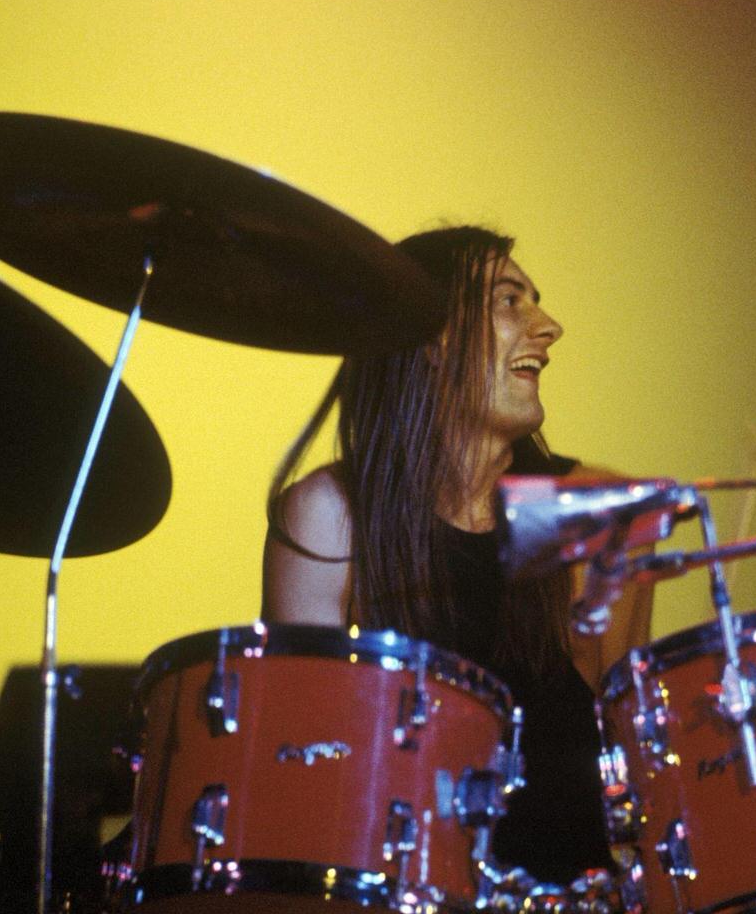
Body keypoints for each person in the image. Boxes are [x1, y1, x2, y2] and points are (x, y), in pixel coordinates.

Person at [261, 225, 651, 885]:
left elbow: (634, 763)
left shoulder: (596, 510)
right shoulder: (330, 514)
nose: (547, 327)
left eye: (535, 301)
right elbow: (306, 775)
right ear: (434, 340)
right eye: (509, 301)